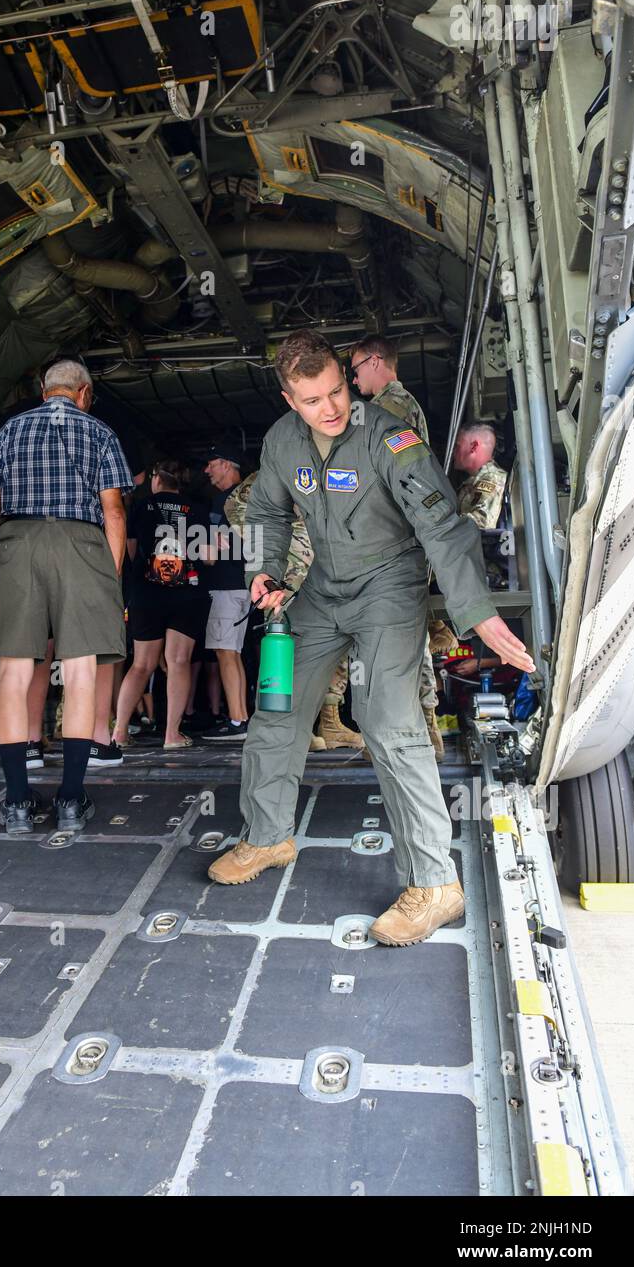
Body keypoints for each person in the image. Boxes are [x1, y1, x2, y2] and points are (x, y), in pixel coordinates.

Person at [208, 329, 534, 947]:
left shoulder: (390, 435)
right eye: (312, 400)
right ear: (288, 399)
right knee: (276, 708)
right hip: (323, 589)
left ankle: (435, 882)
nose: (330, 409)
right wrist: (266, 570)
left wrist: (478, 611)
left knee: (388, 721)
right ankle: (267, 835)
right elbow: (269, 512)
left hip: (390, 586)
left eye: (336, 391)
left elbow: (442, 524)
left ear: (344, 379)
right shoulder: (282, 443)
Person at [0, 357, 131, 834]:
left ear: (45, 390)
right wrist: (111, 576)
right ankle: (70, 799)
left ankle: (18, 802)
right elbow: (115, 512)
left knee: (13, 672)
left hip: (16, 542)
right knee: (82, 670)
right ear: (83, 392)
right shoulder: (100, 432)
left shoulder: (10, 429)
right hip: (82, 544)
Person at [349, 335, 446, 760]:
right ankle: (424, 725)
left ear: (375, 361)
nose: (353, 380)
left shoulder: (385, 409)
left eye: (354, 370)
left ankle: (403, 730)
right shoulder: (406, 407)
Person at [225, 471, 364, 752]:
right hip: (289, 572)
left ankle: (330, 721)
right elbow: (235, 508)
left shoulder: (342, 468)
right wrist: (274, 554)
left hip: (326, 563)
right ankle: (288, 727)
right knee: (289, 641)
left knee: (338, 634)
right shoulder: (278, 470)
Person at [113, 459, 210, 751]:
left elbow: (128, 552)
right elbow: (207, 557)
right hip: (186, 594)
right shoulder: (198, 511)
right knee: (179, 662)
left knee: (141, 664)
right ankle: (172, 734)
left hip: (147, 593)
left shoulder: (140, 508)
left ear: (156, 479)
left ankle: (118, 733)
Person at [200, 445, 252, 741]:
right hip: (245, 585)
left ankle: (236, 722)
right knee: (233, 652)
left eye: (211, 464)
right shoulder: (251, 497)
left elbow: (210, 552)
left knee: (225, 652)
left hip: (227, 586)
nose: (207, 470)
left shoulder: (223, 502)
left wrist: (184, 546)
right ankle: (241, 717)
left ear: (228, 465)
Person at [453, 422, 507, 529]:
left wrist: (444, 525)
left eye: (457, 446)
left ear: (473, 447)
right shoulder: (473, 481)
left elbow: (482, 521)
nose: (453, 452)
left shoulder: (492, 478)